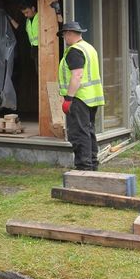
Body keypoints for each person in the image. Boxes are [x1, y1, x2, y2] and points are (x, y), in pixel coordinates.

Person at [57, 21, 105, 171]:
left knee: (79, 133)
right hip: (92, 98)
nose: (64, 39)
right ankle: (92, 164)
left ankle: (84, 169)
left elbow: (77, 75)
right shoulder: (89, 48)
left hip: (79, 98)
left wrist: (69, 99)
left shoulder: (75, 51)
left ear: (70, 34)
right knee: (88, 131)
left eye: (65, 35)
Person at [9, 0, 63, 65]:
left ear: (33, 8)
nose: (25, 15)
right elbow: (20, 29)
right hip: (35, 50)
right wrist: (10, 18)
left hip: (46, 49)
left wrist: (58, 11)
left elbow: (58, 25)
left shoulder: (41, 17)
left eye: (27, 12)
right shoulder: (27, 22)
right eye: (24, 13)